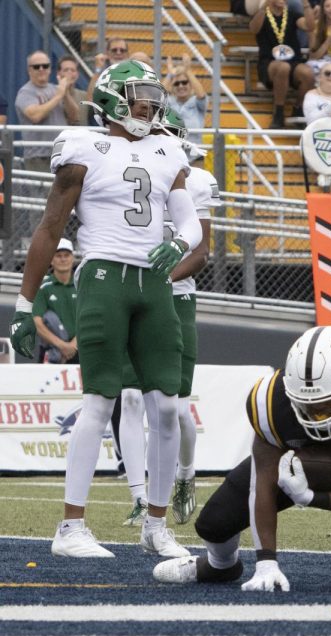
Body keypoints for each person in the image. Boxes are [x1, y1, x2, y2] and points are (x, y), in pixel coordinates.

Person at [8, 60, 200, 559]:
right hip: (103, 277)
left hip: (155, 283)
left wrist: (177, 244)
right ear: (114, 97)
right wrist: (24, 303)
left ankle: (155, 525)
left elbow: (190, 223)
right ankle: (71, 527)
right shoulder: (82, 148)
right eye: (140, 95)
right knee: (100, 402)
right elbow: (49, 229)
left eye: (154, 97)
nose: (150, 104)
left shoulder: (166, 149)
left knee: (165, 405)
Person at [151, 326, 331, 590]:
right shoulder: (270, 400)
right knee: (213, 523)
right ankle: (220, 565)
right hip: (289, 468)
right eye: (305, 404)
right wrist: (266, 562)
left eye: (325, 404)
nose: (315, 415)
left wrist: (311, 498)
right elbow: (262, 482)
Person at [160, 110, 219, 526]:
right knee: (133, 399)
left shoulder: (196, 180)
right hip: (133, 294)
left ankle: (185, 474)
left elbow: (201, 252)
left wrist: (163, 280)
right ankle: (142, 493)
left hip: (176, 296)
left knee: (177, 408)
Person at [251, 0, 314, 128]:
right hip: (269, 62)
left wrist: (306, 5)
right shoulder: (262, 13)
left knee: (308, 72)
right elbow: (253, 29)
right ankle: (278, 112)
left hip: (293, 60)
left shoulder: (292, 14)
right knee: (283, 67)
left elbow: (309, 26)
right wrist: (264, 7)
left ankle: (298, 108)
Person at [16, 51, 81, 172]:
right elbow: (35, 116)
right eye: (36, 67)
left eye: (45, 66)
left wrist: (65, 93)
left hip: (63, 153)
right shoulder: (25, 92)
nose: (41, 69)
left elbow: (74, 116)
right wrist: (58, 96)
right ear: (29, 70)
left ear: (50, 69)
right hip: (39, 156)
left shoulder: (55, 89)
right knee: (43, 191)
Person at [32, 239, 79, 364]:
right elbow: (36, 322)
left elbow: (90, 319)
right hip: (52, 352)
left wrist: (74, 345)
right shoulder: (43, 288)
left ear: (72, 258)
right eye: (58, 256)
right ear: (51, 260)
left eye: (66, 255)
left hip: (81, 350)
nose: (63, 259)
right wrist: (62, 345)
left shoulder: (82, 287)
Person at [165, 56, 208, 141]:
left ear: (190, 84)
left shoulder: (196, 102)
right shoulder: (169, 102)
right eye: (176, 83)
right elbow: (158, 96)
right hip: (173, 151)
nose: (181, 86)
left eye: (184, 82)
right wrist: (170, 74)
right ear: (172, 87)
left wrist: (188, 71)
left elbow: (201, 95)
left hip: (193, 153)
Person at [57, 59, 90, 127]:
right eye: (66, 70)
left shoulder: (84, 95)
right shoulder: (50, 93)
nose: (69, 73)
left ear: (77, 74)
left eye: (73, 70)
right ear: (58, 73)